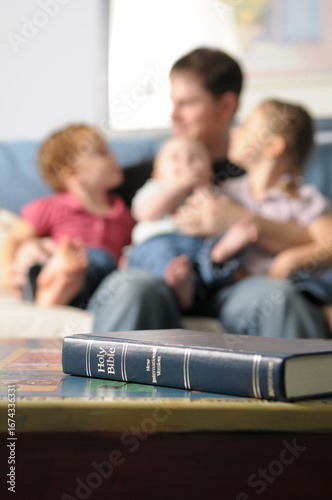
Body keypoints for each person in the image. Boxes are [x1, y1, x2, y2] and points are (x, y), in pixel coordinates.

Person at [212, 98, 332, 328]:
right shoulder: (226, 194)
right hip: (241, 289)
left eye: (246, 126)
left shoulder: (302, 198)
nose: (235, 131)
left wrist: (287, 261)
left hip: (301, 288)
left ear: (272, 146)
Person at [1, 124, 135, 307]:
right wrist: (8, 272)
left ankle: (56, 289)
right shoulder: (51, 206)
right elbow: (15, 237)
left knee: (104, 260)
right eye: (102, 153)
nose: (114, 157)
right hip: (67, 267)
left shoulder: (125, 215)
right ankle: (58, 278)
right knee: (91, 258)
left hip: (103, 286)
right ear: (72, 175)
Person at [127, 135, 256, 310]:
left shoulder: (212, 193)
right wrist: (178, 187)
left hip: (199, 248)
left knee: (215, 253)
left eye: (195, 157)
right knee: (160, 255)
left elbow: (223, 218)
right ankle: (180, 289)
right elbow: (146, 213)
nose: (186, 161)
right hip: (159, 241)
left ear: (209, 175)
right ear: (157, 175)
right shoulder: (155, 189)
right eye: (175, 158)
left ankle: (218, 256)